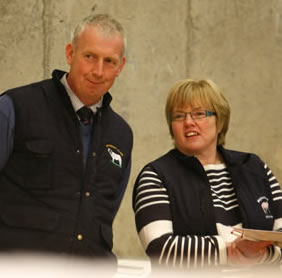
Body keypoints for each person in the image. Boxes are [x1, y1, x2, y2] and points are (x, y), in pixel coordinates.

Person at [0, 14, 133, 264]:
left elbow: (106, 210)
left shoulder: (121, 135)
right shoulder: (14, 108)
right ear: (70, 54)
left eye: (109, 61)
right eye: (89, 57)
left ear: (120, 67)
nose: (98, 71)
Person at [133, 79, 282, 269]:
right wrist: (228, 252)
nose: (188, 122)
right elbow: (159, 247)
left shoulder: (254, 167)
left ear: (219, 121)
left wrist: (262, 255)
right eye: (179, 116)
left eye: (199, 114)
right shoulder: (155, 175)